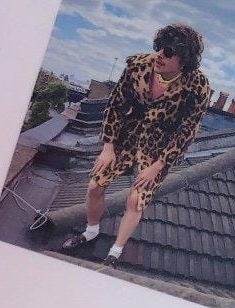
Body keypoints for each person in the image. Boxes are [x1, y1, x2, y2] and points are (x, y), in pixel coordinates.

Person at [61, 24, 211, 267]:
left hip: (159, 146)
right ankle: (91, 231)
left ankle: (115, 252)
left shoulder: (198, 87)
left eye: (168, 52)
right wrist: (108, 147)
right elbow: (116, 105)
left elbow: (187, 131)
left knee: (136, 199)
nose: (159, 54)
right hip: (126, 135)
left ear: (184, 60)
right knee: (94, 185)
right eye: (158, 47)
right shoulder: (137, 65)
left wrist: (158, 166)